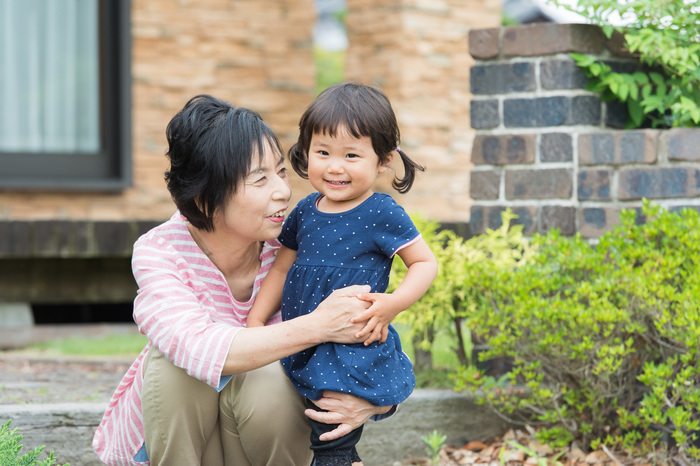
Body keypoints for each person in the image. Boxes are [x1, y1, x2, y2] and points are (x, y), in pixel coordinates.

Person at [92, 94, 395, 466]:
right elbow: (196, 346)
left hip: (259, 441)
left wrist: (376, 401)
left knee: (267, 377)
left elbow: (370, 334)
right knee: (174, 366)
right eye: (259, 178)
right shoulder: (160, 252)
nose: (283, 190)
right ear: (205, 197)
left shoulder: (300, 249)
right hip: (185, 442)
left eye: (281, 172)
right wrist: (317, 326)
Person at [247, 82, 438, 466]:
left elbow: (425, 263)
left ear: (383, 160)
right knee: (298, 425)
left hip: (348, 348)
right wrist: (255, 320)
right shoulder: (305, 210)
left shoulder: (381, 212)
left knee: (331, 436)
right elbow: (281, 268)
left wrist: (392, 304)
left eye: (352, 155)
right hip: (303, 337)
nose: (334, 167)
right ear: (306, 151)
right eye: (323, 152)